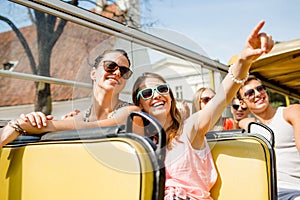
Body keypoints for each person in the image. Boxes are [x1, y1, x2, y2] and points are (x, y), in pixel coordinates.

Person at [131, 20, 274, 199]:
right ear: (140, 105)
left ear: (170, 96)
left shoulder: (189, 128)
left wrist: (243, 61)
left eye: (162, 89)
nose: (157, 95)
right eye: (147, 93)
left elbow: (222, 97)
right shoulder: (140, 144)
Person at [0, 49, 140, 148]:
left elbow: (88, 128)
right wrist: (35, 119)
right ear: (93, 73)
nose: (117, 73)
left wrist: (21, 124)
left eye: (124, 71)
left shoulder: (131, 113)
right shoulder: (79, 116)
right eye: (110, 66)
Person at [237, 75, 300, 200]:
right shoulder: (252, 126)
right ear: (242, 103)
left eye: (260, 89)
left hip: (295, 190)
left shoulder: (291, 112)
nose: (257, 94)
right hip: (266, 192)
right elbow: (242, 122)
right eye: (249, 93)